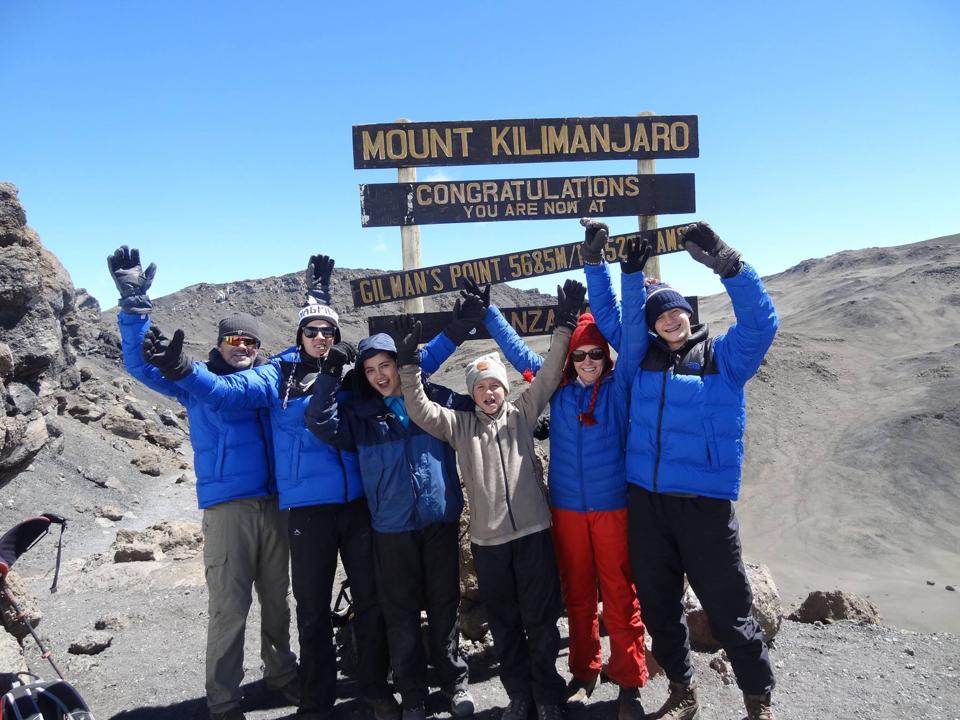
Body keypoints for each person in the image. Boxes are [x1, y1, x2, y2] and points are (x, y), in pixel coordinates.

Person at [140, 254, 470, 720]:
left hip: (358, 505)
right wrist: (184, 371)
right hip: (307, 511)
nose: (320, 338)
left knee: (370, 601)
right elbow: (223, 392)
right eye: (311, 331)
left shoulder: (351, 372)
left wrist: (456, 329)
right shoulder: (277, 375)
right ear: (299, 335)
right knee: (311, 608)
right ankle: (316, 700)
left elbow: (404, 369)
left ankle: (376, 688)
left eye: (328, 332)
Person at [581, 220, 780, 720]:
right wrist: (595, 262)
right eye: (659, 314)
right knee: (660, 609)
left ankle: (758, 701)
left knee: (732, 613)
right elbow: (607, 313)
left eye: (675, 311)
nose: (669, 319)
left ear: (688, 313)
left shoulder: (723, 359)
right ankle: (683, 691)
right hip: (647, 504)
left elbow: (761, 324)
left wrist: (729, 265)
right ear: (650, 325)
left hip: (704, 508)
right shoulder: (639, 358)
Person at [458, 238, 652, 720]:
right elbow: (518, 352)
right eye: (580, 356)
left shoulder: (620, 389)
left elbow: (630, 333)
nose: (587, 362)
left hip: (611, 507)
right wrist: (489, 314)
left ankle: (628, 680)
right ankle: (585, 672)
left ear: (606, 359)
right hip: (565, 510)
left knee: (619, 592)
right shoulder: (558, 392)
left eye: (595, 355)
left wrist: (602, 269)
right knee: (579, 594)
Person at [108, 246, 298, 720]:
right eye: (234, 340)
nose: (242, 347)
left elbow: (309, 345)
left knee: (278, 601)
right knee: (229, 608)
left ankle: (282, 676)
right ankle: (224, 699)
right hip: (228, 507)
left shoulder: (268, 382)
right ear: (220, 343)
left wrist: (316, 297)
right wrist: (134, 309)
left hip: (276, 505)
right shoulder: (192, 380)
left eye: (250, 343)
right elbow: (137, 366)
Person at [396, 281, 583, 720]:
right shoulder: (459, 426)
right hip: (489, 542)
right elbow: (419, 407)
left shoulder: (522, 412)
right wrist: (407, 364)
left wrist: (564, 324)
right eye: (481, 387)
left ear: (505, 387)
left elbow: (553, 371)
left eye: (496, 385)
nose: (490, 393)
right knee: (505, 623)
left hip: (534, 534)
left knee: (540, 621)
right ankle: (519, 696)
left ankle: (547, 696)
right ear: (474, 392)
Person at [304, 301, 484, 720]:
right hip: (391, 529)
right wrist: (331, 374)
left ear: (399, 364)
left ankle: (454, 685)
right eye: (370, 370)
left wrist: (530, 422)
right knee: (400, 616)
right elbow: (318, 420)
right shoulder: (360, 419)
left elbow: (481, 409)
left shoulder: (433, 400)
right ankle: (413, 695)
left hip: (439, 521)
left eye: (386, 365)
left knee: (443, 607)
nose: (379, 376)